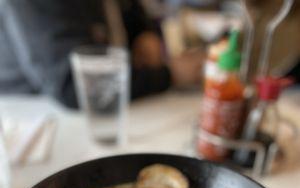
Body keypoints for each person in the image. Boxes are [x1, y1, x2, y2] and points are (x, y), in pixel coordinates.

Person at [0, 0, 203, 108]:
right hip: (35, 112)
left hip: (118, 95)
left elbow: (130, 9)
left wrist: (144, 32)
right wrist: (170, 74)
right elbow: (72, 87)